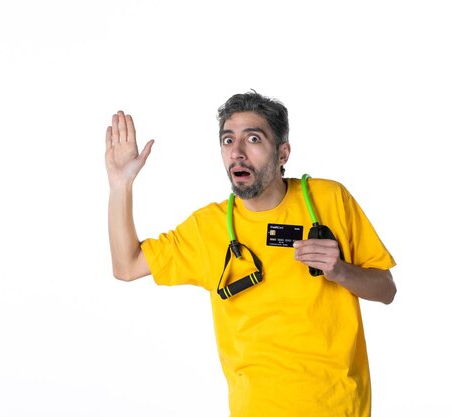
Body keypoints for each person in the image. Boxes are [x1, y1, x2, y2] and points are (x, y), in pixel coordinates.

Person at [104, 91, 396, 417]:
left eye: (253, 138)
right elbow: (126, 266)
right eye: (228, 141)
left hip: (339, 406)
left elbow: (386, 289)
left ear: (283, 152)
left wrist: (341, 271)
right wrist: (120, 185)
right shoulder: (208, 228)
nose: (237, 153)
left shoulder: (329, 199)